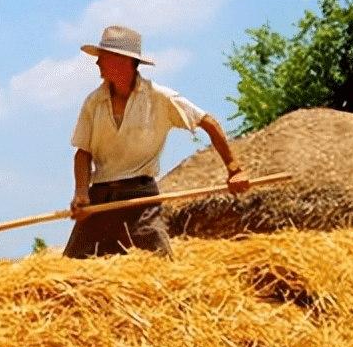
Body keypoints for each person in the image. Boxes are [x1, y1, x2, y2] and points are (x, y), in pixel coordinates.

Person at [65, 25, 251, 259]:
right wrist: (82, 193)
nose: (97, 64)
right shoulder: (93, 102)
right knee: (70, 273)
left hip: (141, 199)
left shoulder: (160, 98)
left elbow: (208, 123)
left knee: (159, 269)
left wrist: (234, 170)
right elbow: (83, 153)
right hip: (100, 200)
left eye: (102, 58)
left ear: (123, 62)